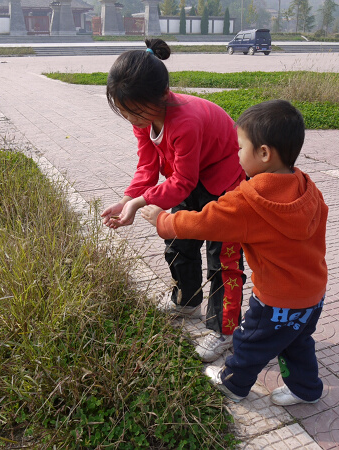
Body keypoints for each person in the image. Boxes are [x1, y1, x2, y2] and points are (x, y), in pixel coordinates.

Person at [140, 99, 328, 406]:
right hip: (313, 293)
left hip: (276, 300)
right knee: (296, 341)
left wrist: (163, 220)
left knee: (250, 341)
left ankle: (234, 383)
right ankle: (306, 388)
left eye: (240, 148)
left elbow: (204, 221)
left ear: (264, 153)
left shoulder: (251, 199)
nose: (236, 155)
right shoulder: (307, 186)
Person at [100, 38, 246, 363]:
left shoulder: (185, 122)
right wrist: (127, 199)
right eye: (124, 112)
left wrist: (138, 205)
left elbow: (182, 182)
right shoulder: (146, 119)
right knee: (180, 238)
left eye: (135, 112)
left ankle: (226, 329)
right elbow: (147, 166)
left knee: (224, 257)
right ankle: (187, 300)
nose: (131, 119)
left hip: (227, 182)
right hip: (192, 178)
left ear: (162, 96)